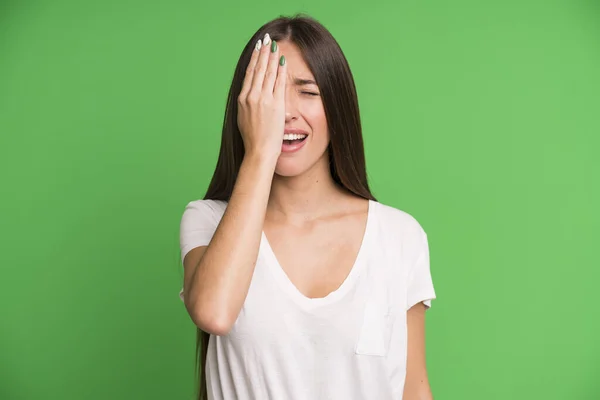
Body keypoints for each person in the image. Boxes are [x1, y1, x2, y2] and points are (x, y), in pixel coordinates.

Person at [179, 14, 436, 400]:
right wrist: (260, 151)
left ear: (337, 106)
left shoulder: (399, 237)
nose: (285, 112)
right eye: (269, 93)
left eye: (307, 91)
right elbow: (214, 313)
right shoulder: (207, 221)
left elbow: (413, 389)